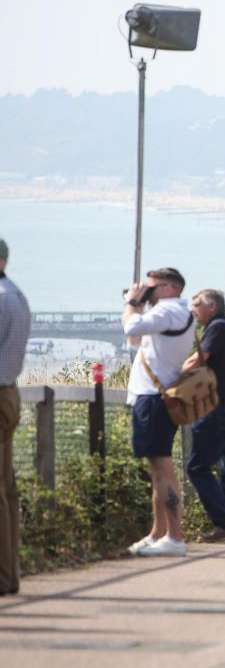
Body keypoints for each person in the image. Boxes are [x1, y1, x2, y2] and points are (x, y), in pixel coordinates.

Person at [123, 267, 195, 557]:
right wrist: (141, 304)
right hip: (154, 398)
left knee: (163, 470)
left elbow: (130, 329)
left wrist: (131, 302)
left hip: (154, 398)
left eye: (150, 289)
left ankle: (175, 537)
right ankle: (158, 532)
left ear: (168, 288)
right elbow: (135, 341)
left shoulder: (168, 311)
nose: (145, 293)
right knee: (157, 470)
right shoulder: (175, 312)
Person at [184, 289, 225, 543]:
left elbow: (198, 360)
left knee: (197, 467)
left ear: (211, 306)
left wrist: (171, 377)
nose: (193, 310)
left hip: (218, 407)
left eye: (196, 304)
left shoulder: (218, 327)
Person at [0, 238, 31, 595]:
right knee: (6, 488)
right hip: (9, 393)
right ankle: (9, 573)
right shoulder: (16, 295)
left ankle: (3, 575)